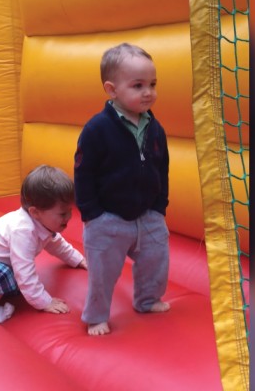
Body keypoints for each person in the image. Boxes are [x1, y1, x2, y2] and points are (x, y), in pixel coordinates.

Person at [74, 43, 170, 336]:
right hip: (108, 218)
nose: (148, 92)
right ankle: (97, 316)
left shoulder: (155, 127)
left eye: (152, 84)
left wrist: (160, 206)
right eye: (138, 85)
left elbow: (162, 167)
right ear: (112, 90)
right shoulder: (97, 129)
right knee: (103, 272)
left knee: (156, 259)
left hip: (148, 214)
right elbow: (83, 172)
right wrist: (92, 214)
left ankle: (147, 299)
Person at [0, 165, 87, 323]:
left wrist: (78, 260)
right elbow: (24, 272)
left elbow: (57, 243)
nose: (69, 216)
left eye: (70, 210)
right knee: (2, 275)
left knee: (10, 277)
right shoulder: (23, 231)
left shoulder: (42, 223)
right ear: (35, 212)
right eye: (63, 213)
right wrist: (44, 302)